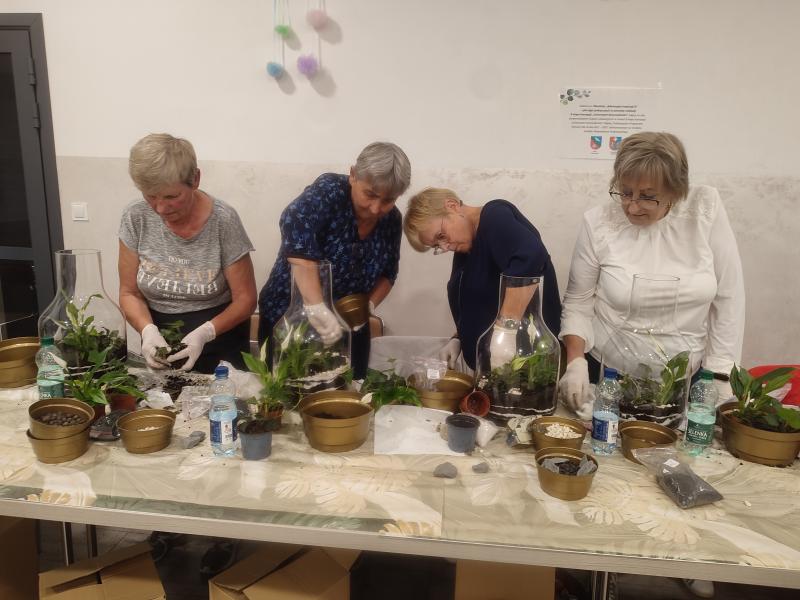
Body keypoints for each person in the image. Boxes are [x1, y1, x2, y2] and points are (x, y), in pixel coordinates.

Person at [558, 131, 744, 600]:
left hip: (681, 379)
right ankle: (602, 559)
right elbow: (578, 300)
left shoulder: (705, 211)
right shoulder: (599, 223)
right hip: (611, 373)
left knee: (679, 470)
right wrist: (575, 361)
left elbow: (728, 298)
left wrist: (721, 375)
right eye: (624, 192)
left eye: (648, 197)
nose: (633, 206)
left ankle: (687, 553)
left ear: (676, 192)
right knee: (610, 472)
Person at [258, 142, 411, 378]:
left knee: (349, 389)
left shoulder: (391, 220)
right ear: (353, 175)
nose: (376, 208)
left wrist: (368, 307)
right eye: (370, 195)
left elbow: (388, 274)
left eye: (388, 200)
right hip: (290, 319)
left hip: (350, 325)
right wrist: (316, 307)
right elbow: (295, 233)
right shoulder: (329, 191)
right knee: (286, 391)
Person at [119, 132, 257, 374]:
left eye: (172, 196)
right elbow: (129, 292)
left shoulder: (223, 221)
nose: (161, 208)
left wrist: (205, 333)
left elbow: (245, 299)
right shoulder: (136, 216)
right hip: (161, 346)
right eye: (151, 196)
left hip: (220, 346)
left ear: (195, 179)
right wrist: (147, 331)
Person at [402, 188, 561, 373]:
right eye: (437, 246)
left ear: (452, 206)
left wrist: (505, 331)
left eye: (441, 236)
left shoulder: (494, 216)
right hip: (493, 371)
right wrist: (459, 338)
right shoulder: (465, 247)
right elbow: (478, 304)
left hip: (527, 369)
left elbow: (530, 258)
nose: (445, 247)